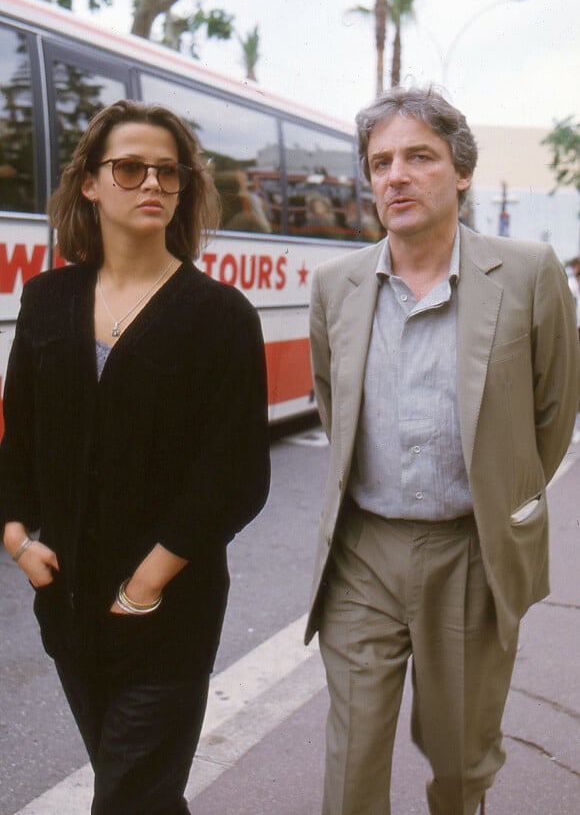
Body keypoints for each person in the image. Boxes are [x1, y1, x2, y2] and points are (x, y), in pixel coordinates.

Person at [305, 86, 580, 815]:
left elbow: (552, 414)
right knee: (352, 754)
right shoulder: (337, 286)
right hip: (364, 554)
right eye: (380, 162)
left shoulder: (527, 273)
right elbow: (337, 407)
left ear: (460, 171)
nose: (396, 176)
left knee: (460, 762)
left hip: (471, 550)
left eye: (418, 157)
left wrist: (502, 495)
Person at [0, 100, 270, 815]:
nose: (151, 183)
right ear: (90, 182)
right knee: (141, 792)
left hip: (167, 613)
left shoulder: (220, 315)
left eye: (168, 172)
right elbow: (17, 438)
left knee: (127, 799)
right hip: (66, 607)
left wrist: (148, 583)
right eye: (129, 168)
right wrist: (17, 540)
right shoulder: (47, 299)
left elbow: (237, 473)